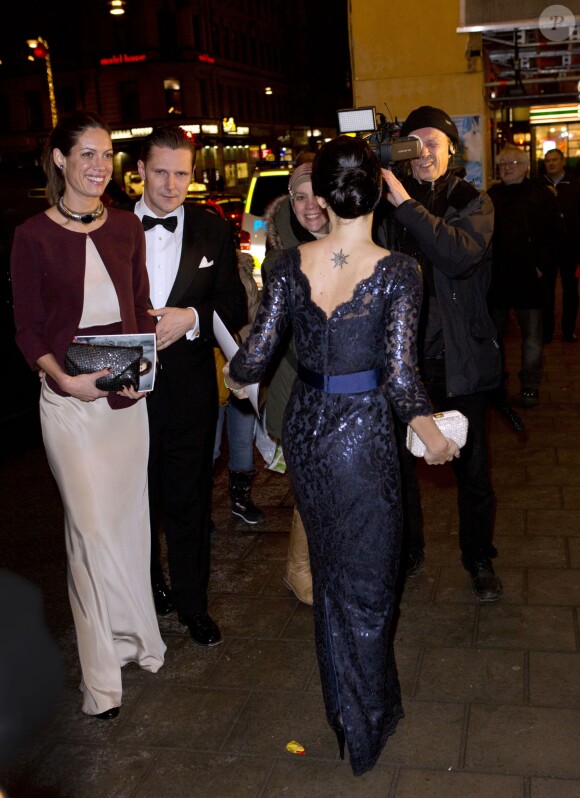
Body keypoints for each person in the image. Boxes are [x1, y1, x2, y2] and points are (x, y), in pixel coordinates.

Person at [224, 135, 459, 776]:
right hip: (362, 435)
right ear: (382, 189)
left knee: (330, 576)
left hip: (306, 430)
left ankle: (347, 713)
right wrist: (437, 440)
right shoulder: (399, 271)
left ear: (321, 196)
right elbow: (404, 379)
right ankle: (367, 719)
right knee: (373, 583)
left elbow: (250, 361)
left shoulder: (287, 265)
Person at [10, 110, 166, 719]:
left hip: (127, 408)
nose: (101, 166)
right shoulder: (32, 235)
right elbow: (25, 327)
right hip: (71, 410)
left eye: (107, 156)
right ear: (60, 160)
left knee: (127, 529)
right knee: (92, 532)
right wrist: (62, 378)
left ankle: (133, 642)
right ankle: (101, 679)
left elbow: (142, 309)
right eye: (88, 155)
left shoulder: (126, 227)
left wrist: (153, 354)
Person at [374, 105, 503, 601]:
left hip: (457, 358)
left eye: (433, 141)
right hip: (403, 361)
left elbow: (459, 255)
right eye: (413, 143)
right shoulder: (386, 207)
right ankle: (409, 552)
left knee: (470, 470)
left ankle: (478, 558)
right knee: (399, 471)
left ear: (453, 148)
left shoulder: (474, 201)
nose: (424, 151)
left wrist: (406, 205)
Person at [133, 125, 247, 647]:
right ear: (138, 171)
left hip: (189, 392)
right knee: (133, 504)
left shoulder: (211, 228)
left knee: (189, 502)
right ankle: (149, 590)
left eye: (181, 172)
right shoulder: (110, 229)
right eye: (161, 171)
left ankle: (192, 604)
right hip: (123, 393)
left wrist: (193, 317)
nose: (171, 183)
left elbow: (233, 304)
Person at [260, 155, 330, 605]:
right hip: (299, 383)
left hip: (347, 388)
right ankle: (298, 568)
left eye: (317, 195)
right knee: (310, 480)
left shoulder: (356, 239)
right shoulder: (281, 256)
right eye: (299, 197)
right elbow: (280, 333)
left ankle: (320, 563)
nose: (309, 206)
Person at [487, 145, 564, 408]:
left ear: (525, 165)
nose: (507, 168)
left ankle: (530, 386)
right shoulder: (492, 196)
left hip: (529, 280)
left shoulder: (540, 195)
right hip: (497, 279)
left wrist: (541, 266)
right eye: (502, 164)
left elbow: (554, 236)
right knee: (493, 337)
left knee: (531, 337)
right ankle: (496, 384)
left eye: (512, 163)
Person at [213, 250, 265, 525]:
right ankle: (199, 505)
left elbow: (256, 319)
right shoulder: (199, 272)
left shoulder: (243, 272)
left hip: (243, 365)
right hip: (212, 366)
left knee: (243, 438)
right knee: (210, 445)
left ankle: (241, 500)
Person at [538, 148, 580, 344]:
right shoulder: (539, 185)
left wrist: (557, 198)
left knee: (570, 290)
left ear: (562, 161)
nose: (551, 163)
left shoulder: (574, 183)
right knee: (546, 291)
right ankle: (547, 331)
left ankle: (568, 330)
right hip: (547, 247)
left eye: (554, 160)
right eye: (547, 161)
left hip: (570, 246)